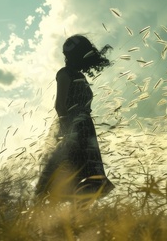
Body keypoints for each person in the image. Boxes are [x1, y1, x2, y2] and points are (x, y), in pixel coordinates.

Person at [35, 34, 115, 201]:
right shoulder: (64, 74)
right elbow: (59, 105)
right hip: (74, 127)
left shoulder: (80, 76)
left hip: (85, 128)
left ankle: (75, 217)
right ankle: (46, 210)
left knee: (86, 177)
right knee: (64, 170)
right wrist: (68, 131)